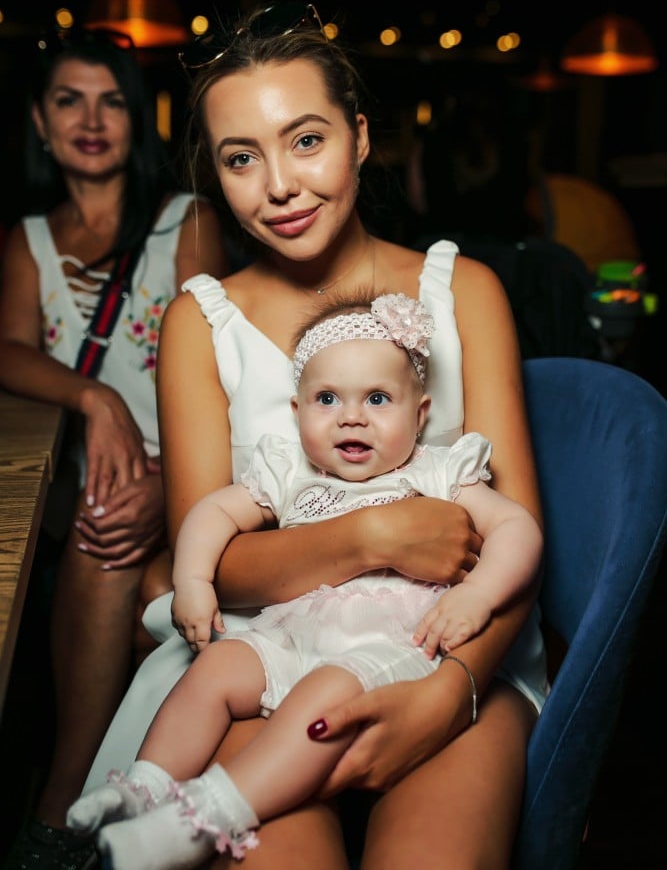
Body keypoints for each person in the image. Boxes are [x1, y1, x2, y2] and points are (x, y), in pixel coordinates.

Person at [80, 0, 547, 869]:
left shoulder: (462, 292)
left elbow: (519, 543)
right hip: (262, 653)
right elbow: (209, 561)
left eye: (305, 140)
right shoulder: (200, 323)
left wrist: (447, 693)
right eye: (240, 158)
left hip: (455, 651)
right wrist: (374, 535)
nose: (280, 186)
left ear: (359, 136)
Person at [66, 290, 545, 869]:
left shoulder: (438, 470)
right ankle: (143, 789)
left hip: (393, 647)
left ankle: (203, 815)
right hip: (295, 635)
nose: (351, 417)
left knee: (325, 695)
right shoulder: (290, 469)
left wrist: (478, 594)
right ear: (297, 412)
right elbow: (213, 514)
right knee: (217, 668)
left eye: (377, 399)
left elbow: (518, 528)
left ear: (420, 416)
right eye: (327, 399)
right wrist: (191, 580)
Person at [0, 25, 228, 869]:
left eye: (111, 102)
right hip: (80, 485)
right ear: (39, 119)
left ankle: (59, 810)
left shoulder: (185, 222)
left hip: (197, 474)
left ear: (137, 120)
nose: (91, 121)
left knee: (113, 536)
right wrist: (95, 399)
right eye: (69, 100)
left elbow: (223, 374)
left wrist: (166, 478)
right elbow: (8, 347)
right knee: (101, 514)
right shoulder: (28, 239)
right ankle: (93, 815)